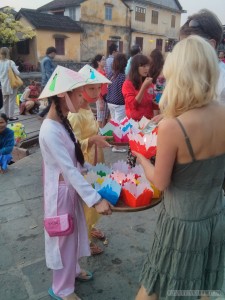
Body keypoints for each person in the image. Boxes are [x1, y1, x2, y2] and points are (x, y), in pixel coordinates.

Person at [134, 35, 225, 300]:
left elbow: (160, 183)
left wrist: (141, 157)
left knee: (155, 284)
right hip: (215, 217)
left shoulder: (173, 127)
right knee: (202, 284)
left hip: (181, 226)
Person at [39, 65, 112, 300]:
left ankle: (74, 271)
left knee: (76, 234)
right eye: (78, 93)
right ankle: (61, 289)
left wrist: (95, 174)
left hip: (71, 188)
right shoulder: (49, 130)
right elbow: (69, 170)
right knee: (63, 239)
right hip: (61, 192)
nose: (83, 98)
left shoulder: (62, 123)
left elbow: (76, 161)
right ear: (63, 95)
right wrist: (95, 199)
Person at [68, 65, 112, 256]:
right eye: (90, 89)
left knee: (96, 196)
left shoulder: (87, 109)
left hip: (95, 159)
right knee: (87, 202)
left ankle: (91, 226)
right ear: (80, 90)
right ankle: (84, 240)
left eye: (98, 88)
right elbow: (72, 144)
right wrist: (92, 139)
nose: (96, 93)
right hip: (85, 162)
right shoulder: (75, 114)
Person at [180, 9, 225, 104]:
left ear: (210, 45)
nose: (183, 52)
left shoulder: (222, 80)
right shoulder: (189, 72)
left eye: (189, 45)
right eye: (181, 46)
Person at [106, 53, 127, 153]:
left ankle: (111, 142)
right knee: (119, 125)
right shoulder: (123, 77)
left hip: (110, 101)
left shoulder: (111, 74)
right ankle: (116, 146)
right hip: (120, 103)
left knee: (113, 123)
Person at [0, 47, 20, 121]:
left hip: (3, 84)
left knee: (5, 101)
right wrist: (16, 69)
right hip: (11, 84)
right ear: (8, 53)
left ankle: (6, 116)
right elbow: (17, 73)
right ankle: (11, 116)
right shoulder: (10, 62)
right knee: (12, 100)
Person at [91, 54, 109, 128]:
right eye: (103, 60)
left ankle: (103, 133)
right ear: (98, 62)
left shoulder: (104, 71)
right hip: (100, 97)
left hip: (105, 96)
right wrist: (100, 100)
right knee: (100, 117)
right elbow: (97, 87)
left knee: (104, 116)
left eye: (105, 59)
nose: (105, 61)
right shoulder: (98, 72)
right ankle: (99, 132)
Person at [39, 46, 57, 118]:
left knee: (51, 102)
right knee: (53, 102)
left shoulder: (43, 59)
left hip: (44, 83)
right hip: (48, 83)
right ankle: (42, 114)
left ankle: (50, 115)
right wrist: (52, 83)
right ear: (52, 53)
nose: (55, 56)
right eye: (55, 54)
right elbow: (48, 73)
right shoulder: (48, 60)